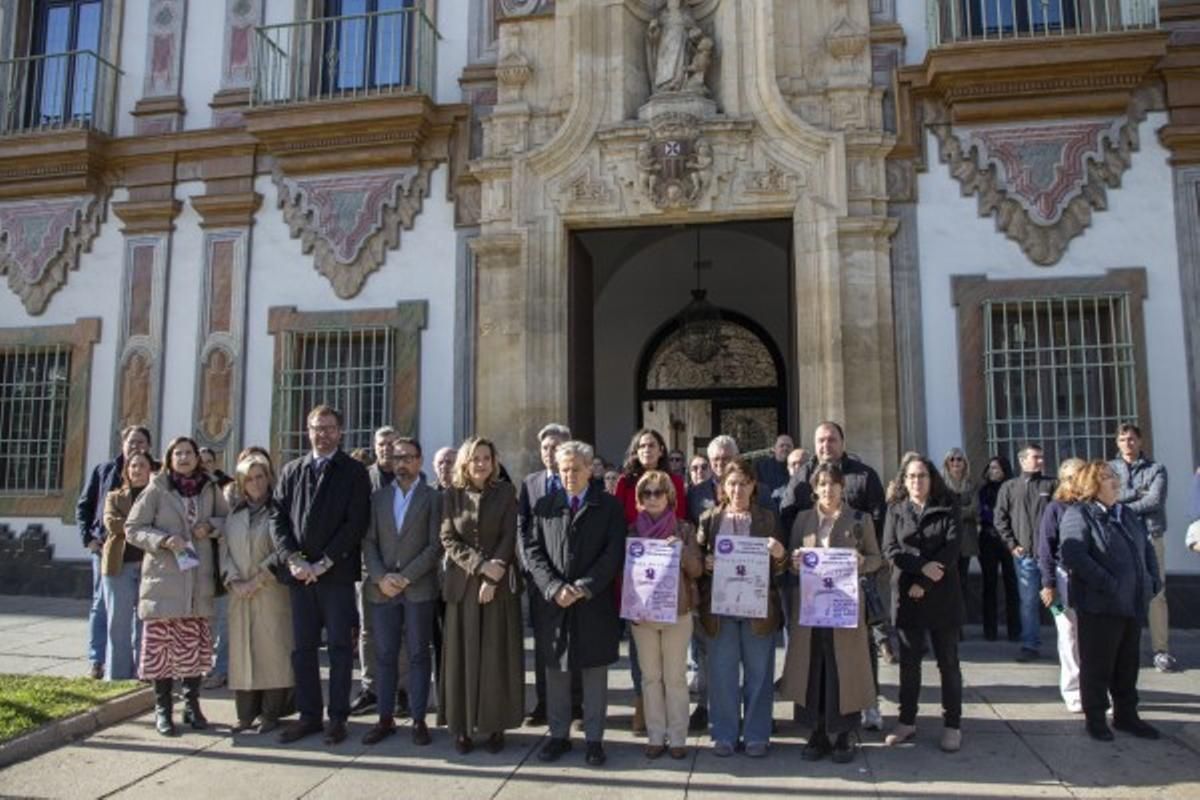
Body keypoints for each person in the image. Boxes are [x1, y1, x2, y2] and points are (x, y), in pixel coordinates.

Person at [270, 405, 372, 746]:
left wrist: (325, 562)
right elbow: (278, 519)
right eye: (316, 427)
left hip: (336, 576)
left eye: (328, 428)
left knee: (341, 649)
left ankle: (338, 717)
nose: (322, 433)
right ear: (307, 430)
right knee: (303, 650)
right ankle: (309, 716)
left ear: (340, 432)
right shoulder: (292, 470)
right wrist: (293, 559)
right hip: (300, 577)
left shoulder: (354, 471)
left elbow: (355, 522)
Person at [779, 422, 890, 729]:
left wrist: (859, 559)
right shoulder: (802, 475)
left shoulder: (864, 475)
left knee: (854, 656)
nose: (826, 444)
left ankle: (864, 710)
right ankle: (817, 727)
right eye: (821, 440)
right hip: (813, 593)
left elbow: (876, 526)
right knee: (815, 661)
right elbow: (788, 518)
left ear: (842, 441)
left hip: (851, 587)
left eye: (832, 439)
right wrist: (797, 558)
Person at [527, 441, 627, 767]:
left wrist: (585, 586)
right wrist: (554, 587)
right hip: (555, 603)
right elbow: (532, 551)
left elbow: (613, 551)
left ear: (589, 469)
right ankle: (558, 736)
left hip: (593, 602)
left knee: (594, 672)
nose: (569, 474)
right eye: (563, 469)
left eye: (575, 468)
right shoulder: (544, 505)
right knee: (556, 670)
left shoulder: (609, 506)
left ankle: (594, 739)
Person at [126, 435, 229, 736]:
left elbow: (227, 520)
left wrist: (210, 527)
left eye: (189, 453)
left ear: (198, 458)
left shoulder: (210, 488)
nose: (184, 458)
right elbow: (133, 528)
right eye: (178, 453)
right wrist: (163, 540)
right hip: (165, 581)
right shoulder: (157, 488)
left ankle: (192, 706)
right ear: (170, 458)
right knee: (163, 651)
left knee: (194, 650)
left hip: (198, 579)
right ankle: (162, 710)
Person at [1059, 461, 1161, 742]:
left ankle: (1126, 715)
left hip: (1131, 603)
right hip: (1100, 605)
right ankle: (1096, 718)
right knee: (1097, 665)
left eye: (1115, 476)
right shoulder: (1079, 514)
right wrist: (1108, 583)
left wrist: (1152, 580)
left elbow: (1145, 547)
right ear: (1092, 484)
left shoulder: (1125, 513)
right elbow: (1074, 555)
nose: (1115, 482)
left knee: (1127, 664)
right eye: (1107, 478)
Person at [439, 437, 525, 754]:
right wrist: (479, 567)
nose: (481, 463)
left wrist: (495, 572)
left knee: (495, 657)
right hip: (463, 587)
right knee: (463, 657)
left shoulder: (505, 492)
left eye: (486, 458)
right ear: (465, 461)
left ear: (494, 462)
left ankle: (495, 725)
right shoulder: (452, 495)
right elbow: (448, 537)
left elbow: (509, 534)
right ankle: (462, 727)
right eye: (475, 458)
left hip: (498, 586)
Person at [697, 458, 786, 758]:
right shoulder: (710, 519)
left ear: (753, 486)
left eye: (743, 483)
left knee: (759, 674)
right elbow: (697, 561)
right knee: (722, 674)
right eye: (732, 483)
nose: (738, 489)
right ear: (723, 487)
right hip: (720, 609)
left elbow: (782, 568)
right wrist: (705, 563)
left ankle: (756, 734)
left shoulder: (768, 519)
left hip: (758, 607)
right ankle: (724, 733)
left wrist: (779, 554)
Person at [361, 437, 442, 746]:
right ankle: (385, 718)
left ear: (420, 461)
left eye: (408, 458)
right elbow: (368, 541)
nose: (402, 464)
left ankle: (419, 719)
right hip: (382, 591)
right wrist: (381, 577)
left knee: (420, 655)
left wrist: (405, 577)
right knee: (384, 655)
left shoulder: (432, 498)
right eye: (397, 458)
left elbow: (435, 545)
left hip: (417, 589)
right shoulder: (378, 498)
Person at [882, 454, 963, 753]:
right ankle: (906, 721)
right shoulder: (896, 509)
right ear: (904, 481)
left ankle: (952, 724)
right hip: (907, 595)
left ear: (932, 478)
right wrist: (918, 568)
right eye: (912, 476)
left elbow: (952, 548)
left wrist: (926, 580)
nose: (917, 481)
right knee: (909, 664)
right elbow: (890, 548)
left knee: (948, 664)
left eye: (923, 476)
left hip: (941, 594)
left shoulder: (948, 504)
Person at [613, 428, 687, 733]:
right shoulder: (623, 484)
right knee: (639, 651)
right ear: (635, 450)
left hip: (669, 578)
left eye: (652, 445)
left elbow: (680, 521)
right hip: (636, 578)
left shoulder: (677, 483)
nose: (647, 450)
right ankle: (641, 705)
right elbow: (617, 525)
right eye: (641, 445)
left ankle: (672, 716)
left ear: (661, 450)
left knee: (671, 662)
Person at [626, 469, 701, 760]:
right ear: (640, 499)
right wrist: (630, 607)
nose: (653, 497)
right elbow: (626, 576)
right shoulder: (632, 532)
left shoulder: (683, 529)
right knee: (650, 677)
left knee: (675, 677)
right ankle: (656, 735)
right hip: (642, 616)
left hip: (677, 613)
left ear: (669, 496)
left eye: (659, 492)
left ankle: (678, 737)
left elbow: (696, 570)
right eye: (647, 493)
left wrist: (681, 552)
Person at [221, 453, 294, 734]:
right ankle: (245, 715)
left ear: (268, 478)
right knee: (242, 653)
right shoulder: (235, 515)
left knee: (272, 651)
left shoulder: (278, 511)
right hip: (240, 593)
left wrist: (260, 577)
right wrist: (234, 580)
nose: (255, 483)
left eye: (260, 476)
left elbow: (282, 548)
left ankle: (271, 714)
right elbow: (225, 552)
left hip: (270, 590)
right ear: (241, 482)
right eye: (249, 478)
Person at [517, 423, 580, 727]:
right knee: (545, 645)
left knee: (577, 641)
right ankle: (544, 703)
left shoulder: (580, 480)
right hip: (542, 581)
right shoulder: (531, 483)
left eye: (556, 447)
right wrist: (532, 570)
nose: (550, 453)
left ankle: (577, 704)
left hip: (573, 580)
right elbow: (522, 529)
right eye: (545, 448)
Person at [77, 426, 151, 678]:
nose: (136, 446)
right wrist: (88, 538)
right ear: (123, 442)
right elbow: (85, 506)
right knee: (103, 606)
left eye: (141, 442)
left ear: (148, 447)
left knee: (142, 614)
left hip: (144, 556)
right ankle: (98, 660)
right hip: (107, 549)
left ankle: (141, 666)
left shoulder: (155, 475)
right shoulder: (104, 471)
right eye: (132, 441)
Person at [1109, 424, 1177, 673]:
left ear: (1140, 441)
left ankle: (1161, 649)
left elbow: (1155, 500)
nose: (1128, 443)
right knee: (1120, 590)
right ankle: (1122, 646)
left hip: (1150, 534)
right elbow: (1108, 497)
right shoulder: (1109, 468)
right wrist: (1137, 492)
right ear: (1117, 442)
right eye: (1123, 439)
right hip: (1119, 536)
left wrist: (1124, 503)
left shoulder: (1156, 468)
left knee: (1157, 593)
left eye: (1132, 439)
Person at [684, 435, 738, 733]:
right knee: (705, 647)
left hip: (744, 583)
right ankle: (704, 706)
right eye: (715, 460)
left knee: (739, 648)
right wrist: (701, 560)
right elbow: (692, 535)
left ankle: (736, 707)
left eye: (725, 459)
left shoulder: (756, 490)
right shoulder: (696, 494)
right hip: (707, 583)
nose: (719, 465)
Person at [351, 426, 405, 718]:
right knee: (368, 631)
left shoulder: (408, 477)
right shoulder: (363, 478)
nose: (386, 448)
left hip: (402, 569)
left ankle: (403, 690)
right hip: (368, 567)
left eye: (391, 443)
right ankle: (370, 688)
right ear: (374, 447)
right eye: (381, 444)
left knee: (403, 632)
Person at [995, 444, 1057, 662]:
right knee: (1028, 601)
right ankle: (1030, 644)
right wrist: (1012, 544)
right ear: (1022, 460)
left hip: (1051, 556)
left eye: (1042, 457)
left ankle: (1068, 642)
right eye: (1035, 457)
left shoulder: (1051, 484)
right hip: (1025, 556)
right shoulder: (1009, 487)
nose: (1040, 461)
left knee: (1058, 601)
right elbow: (1000, 518)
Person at [1036, 458, 1086, 713]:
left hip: (1091, 580)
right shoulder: (1055, 508)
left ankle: (1098, 690)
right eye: (1069, 477)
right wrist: (1048, 583)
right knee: (1069, 636)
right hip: (1064, 578)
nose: (1074, 482)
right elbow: (1045, 548)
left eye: (1079, 475)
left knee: (1093, 639)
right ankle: (1073, 691)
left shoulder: (1093, 506)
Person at [100, 450, 154, 680]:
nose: (137, 470)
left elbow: (162, 524)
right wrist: (142, 527)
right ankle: (118, 674)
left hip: (149, 566)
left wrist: (133, 526)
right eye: (133, 466)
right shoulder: (114, 496)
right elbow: (112, 524)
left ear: (150, 470)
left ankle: (145, 672)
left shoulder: (157, 497)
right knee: (118, 623)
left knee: (146, 623)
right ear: (126, 470)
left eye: (142, 466)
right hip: (118, 566)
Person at [977, 455, 1019, 642]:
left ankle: (1015, 629)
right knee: (989, 584)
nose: (993, 472)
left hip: (1009, 538)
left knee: (1012, 584)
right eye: (991, 468)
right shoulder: (984, 490)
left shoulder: (1012, 488)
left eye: (997, 468)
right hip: (988, 537)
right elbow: (982, 512)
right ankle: (990, 629)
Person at [942, 448, 978, 636]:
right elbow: (942, 509)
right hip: (947, 540)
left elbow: (975, 510)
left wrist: (956, 512)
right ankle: (951, 622)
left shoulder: (970, 485)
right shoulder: (941, 484)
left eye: (960, 460)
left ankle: (961, 625)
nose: (956, 463)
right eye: (952, 460)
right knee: (949, 582)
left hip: (965, 541)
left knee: (962, 582)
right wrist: (960, 511)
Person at [755, 434, 794, 510]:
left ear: (793, 449)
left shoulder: (799, 467)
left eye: (788, 446)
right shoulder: (762, 467)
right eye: (781, 445)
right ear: (774, 449)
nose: (785, 448)